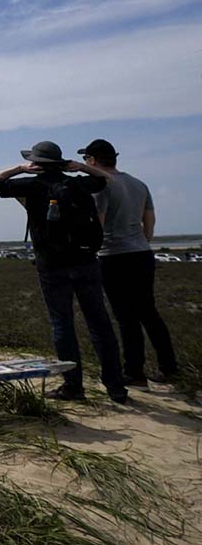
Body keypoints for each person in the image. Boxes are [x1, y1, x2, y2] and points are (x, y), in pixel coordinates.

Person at [0, 141, 128, 403]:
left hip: (51, 265)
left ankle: (73, 386)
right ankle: (116, 387)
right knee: (100, 323)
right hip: (86, 261)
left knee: (63, 324)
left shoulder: (31, 185)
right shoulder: (78, 183)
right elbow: (107, 178)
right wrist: (80, 167)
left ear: (36, 163)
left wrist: (20, 169)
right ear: (61, 162)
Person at [79, 139, 177, 385]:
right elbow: (150, 223)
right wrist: (140, 242)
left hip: (113, 255)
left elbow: (98, 224)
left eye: (85, 159)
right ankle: (169, 367)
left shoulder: (102, 186)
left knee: (125, 317)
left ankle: (134, 372)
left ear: (92, 161)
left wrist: (90, 249)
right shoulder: (138, 184)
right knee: (149, 312)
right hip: (142, 253)